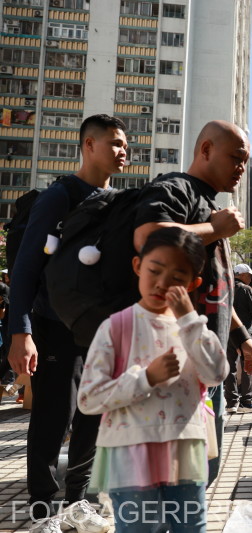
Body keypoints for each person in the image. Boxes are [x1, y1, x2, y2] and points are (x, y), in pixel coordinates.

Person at [8, 114, 127, 533]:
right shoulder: (59, 195)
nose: (123, 151)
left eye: (125, 144)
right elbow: (25, 269)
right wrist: (21, 331)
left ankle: (82, 503)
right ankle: (43, 508)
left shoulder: (118, 203)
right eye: (114, 143)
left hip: (100, 332)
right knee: (53, 417)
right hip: (54, 325)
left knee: (94, 417)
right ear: (88, 145)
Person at [133, 120, 252, 485]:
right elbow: (147, 235)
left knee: (199, 478)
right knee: (171, 480)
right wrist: (217, 229)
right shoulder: (176, 189)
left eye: (245, 160)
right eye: (235, 158)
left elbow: (217, 290)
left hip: (208, 365)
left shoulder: (212, 208)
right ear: (205, 150)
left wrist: (242, 337)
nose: (241, 167)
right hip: (173, 365)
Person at [78, 227, 228, 533]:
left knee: (191, 528)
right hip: (130, 449)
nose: (162, 284)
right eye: (154, 271)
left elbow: (216, 374)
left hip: (184, 449)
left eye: (177, 278)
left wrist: (189, 319)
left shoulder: (192, 328)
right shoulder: (115, 327)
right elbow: (87, 399)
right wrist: (144, 378)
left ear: (193, 283)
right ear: (137, 266)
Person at [224, 264, 252, 414]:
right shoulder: (246, 289)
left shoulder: (226, 287)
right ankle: (247, 401)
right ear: (243, 275)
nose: (250, 278)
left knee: (229, 365)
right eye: (249, 275)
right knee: (248, 366)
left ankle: (231, 402)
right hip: (245, 334)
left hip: (227, 332)